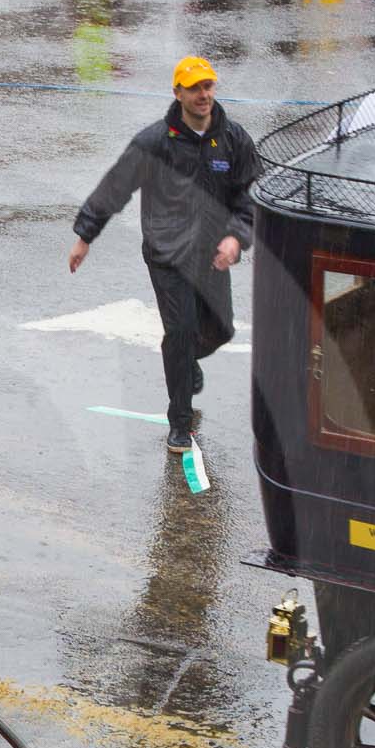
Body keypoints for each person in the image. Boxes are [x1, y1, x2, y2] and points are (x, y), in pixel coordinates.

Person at [70, 56, 256, 454]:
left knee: (221, 330)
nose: (203, 94)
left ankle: (186, 359)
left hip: (212, 255)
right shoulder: (154, 142)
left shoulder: (233, 139)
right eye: (194, 88)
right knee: (182, 329)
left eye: (208, 86)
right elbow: (115, 188)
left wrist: (236, 239)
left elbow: (247, 199)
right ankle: (180, 422)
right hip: (167, 254)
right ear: (178, 93)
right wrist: (86, 235)